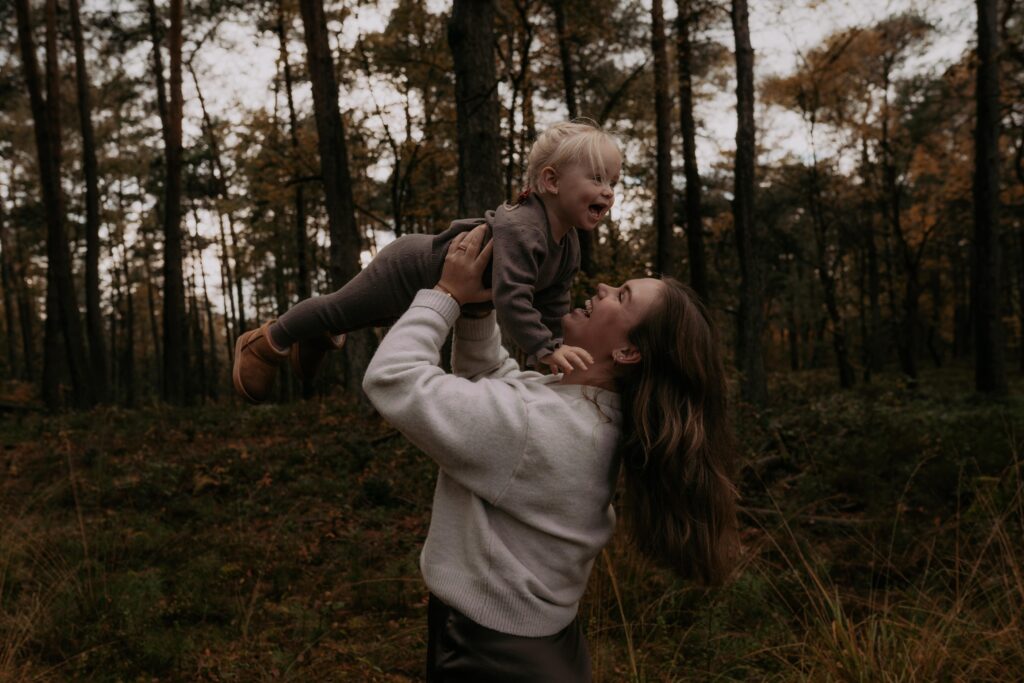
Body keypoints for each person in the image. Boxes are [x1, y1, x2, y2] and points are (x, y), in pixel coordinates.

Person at [361, 224, 741, 681]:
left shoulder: (540, 428)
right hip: (541, 646)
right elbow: (495, 382)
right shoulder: (588, 411)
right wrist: (479, 307)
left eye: (621, 297)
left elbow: (393, 378)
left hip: (488, 655)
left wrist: (446, 294)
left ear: (626, 352)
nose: (602, 287)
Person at [232, 120, 622, 403]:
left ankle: (317, 335)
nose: (607, 193)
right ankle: (267, 342)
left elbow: (553, 301)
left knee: (367, 319)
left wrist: (557, 343)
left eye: (614, 183)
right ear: (552, 182)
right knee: (341, 307)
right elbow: (512, 297)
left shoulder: (567, 244)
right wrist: (545, 348)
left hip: (447, 293)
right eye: (597, 179)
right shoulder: (526, 229)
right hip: (410, 266)